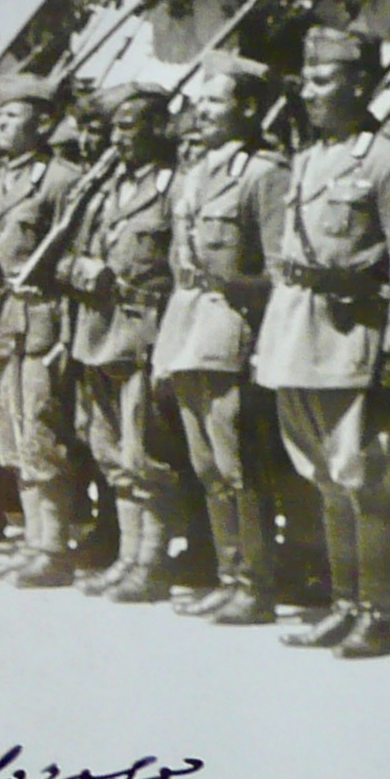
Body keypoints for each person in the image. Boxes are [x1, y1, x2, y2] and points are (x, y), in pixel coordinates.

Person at [255, 25, 390, 658]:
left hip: (352, 338)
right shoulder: (307, 159)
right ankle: (342, 605)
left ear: (359, 83)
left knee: (366, 481)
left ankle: (377, 614)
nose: (308, 92)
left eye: (322, 80)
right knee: (325, 480)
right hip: (297, 334)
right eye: (306, 79)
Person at [153, 57, 294, 626]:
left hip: (233, 327)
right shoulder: (196, 171)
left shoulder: (264, 174)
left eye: (215, 102)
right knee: (207, 464)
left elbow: (280, 270)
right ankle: (230, 574)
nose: (201, 111)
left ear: (247, 109)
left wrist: (260, 330)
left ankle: (257, 584)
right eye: (201, 101)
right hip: (186, 324)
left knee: (239, 465)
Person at [63, 83, 188, 602]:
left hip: (145, 332)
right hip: (97, 333)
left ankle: (151, 563)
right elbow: (65, 253)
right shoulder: (105, 188)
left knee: (145, 455)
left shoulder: (175, 187)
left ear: (159, 128)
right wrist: (81, 268)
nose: (118, 138)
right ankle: (127, 556)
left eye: (129, 126)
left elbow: (185, 268)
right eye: (114, 126)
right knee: (109, 450)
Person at [0, 74, 84, 586]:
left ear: (42, 124)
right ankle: (33, 541)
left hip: (38, 319)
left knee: (39, 432)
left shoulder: (62, 179)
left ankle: (53, 548)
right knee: (8, 434)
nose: (1, 125)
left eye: (14, 117)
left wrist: (46, 275)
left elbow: (79, 251)